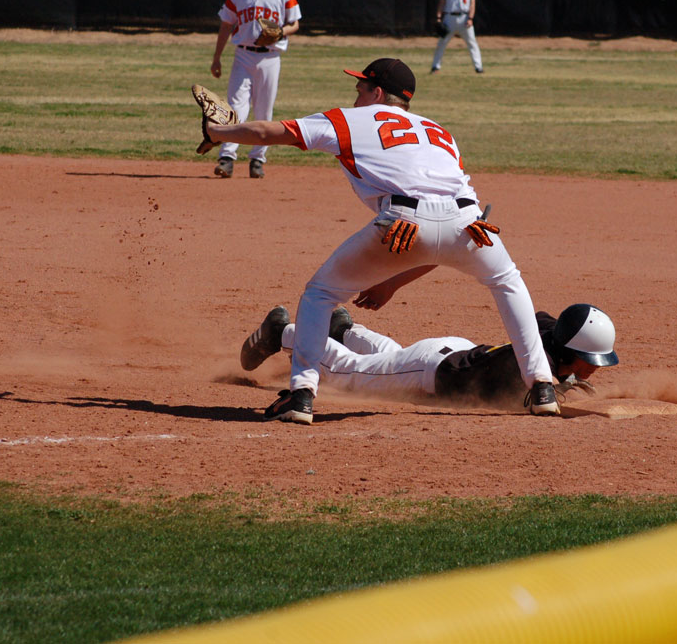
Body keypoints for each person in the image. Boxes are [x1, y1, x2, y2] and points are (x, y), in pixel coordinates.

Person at [193, 57, 557, 425]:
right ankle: (542, 386)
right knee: (508, 282)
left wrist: (218, 131)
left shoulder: (350, 120)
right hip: (469, 224)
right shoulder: (439, 131)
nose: (355, 98)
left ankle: (301, 394)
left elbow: (266, 133)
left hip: (402, 223)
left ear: (377, 93)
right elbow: (444, 209)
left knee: (320, 294)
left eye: (360, 89)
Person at [240, 301, 619, 411]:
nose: (593, 369)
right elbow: (544, 403)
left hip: (452, 351)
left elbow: (538, 318)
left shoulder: (548, 338)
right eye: (589, 360)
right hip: (431, 369)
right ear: (570, 351)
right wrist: (565, 385)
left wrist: (569, 374)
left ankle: (344, 332)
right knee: (352, 373)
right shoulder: (540, 373)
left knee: (391, 360)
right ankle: (283, 332)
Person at [209, 0, 301, 179]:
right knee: (235, 106)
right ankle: (227, 158)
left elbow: (295, 23)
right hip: (243, 55)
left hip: (270, 57)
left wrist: (280, 32)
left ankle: (257, 159)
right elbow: (226, 25)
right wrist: (217, 58)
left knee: (263, 109)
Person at [431, 0, 483, 75]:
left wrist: (470, 18)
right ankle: (435, 67)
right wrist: (438, 17)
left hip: (465, 18)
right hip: (449, 17)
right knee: (441, 43)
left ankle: (478, 68)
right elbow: (441, 1)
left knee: (472, 43)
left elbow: (473, 2)